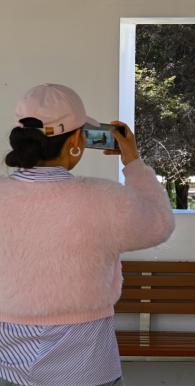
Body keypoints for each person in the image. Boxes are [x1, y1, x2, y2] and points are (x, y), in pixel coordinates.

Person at [0, 84, 175, 386]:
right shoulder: (104, 198)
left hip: (7, 361)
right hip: (86, 363)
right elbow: (160, 223)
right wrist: (132, 162)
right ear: (74, 142)